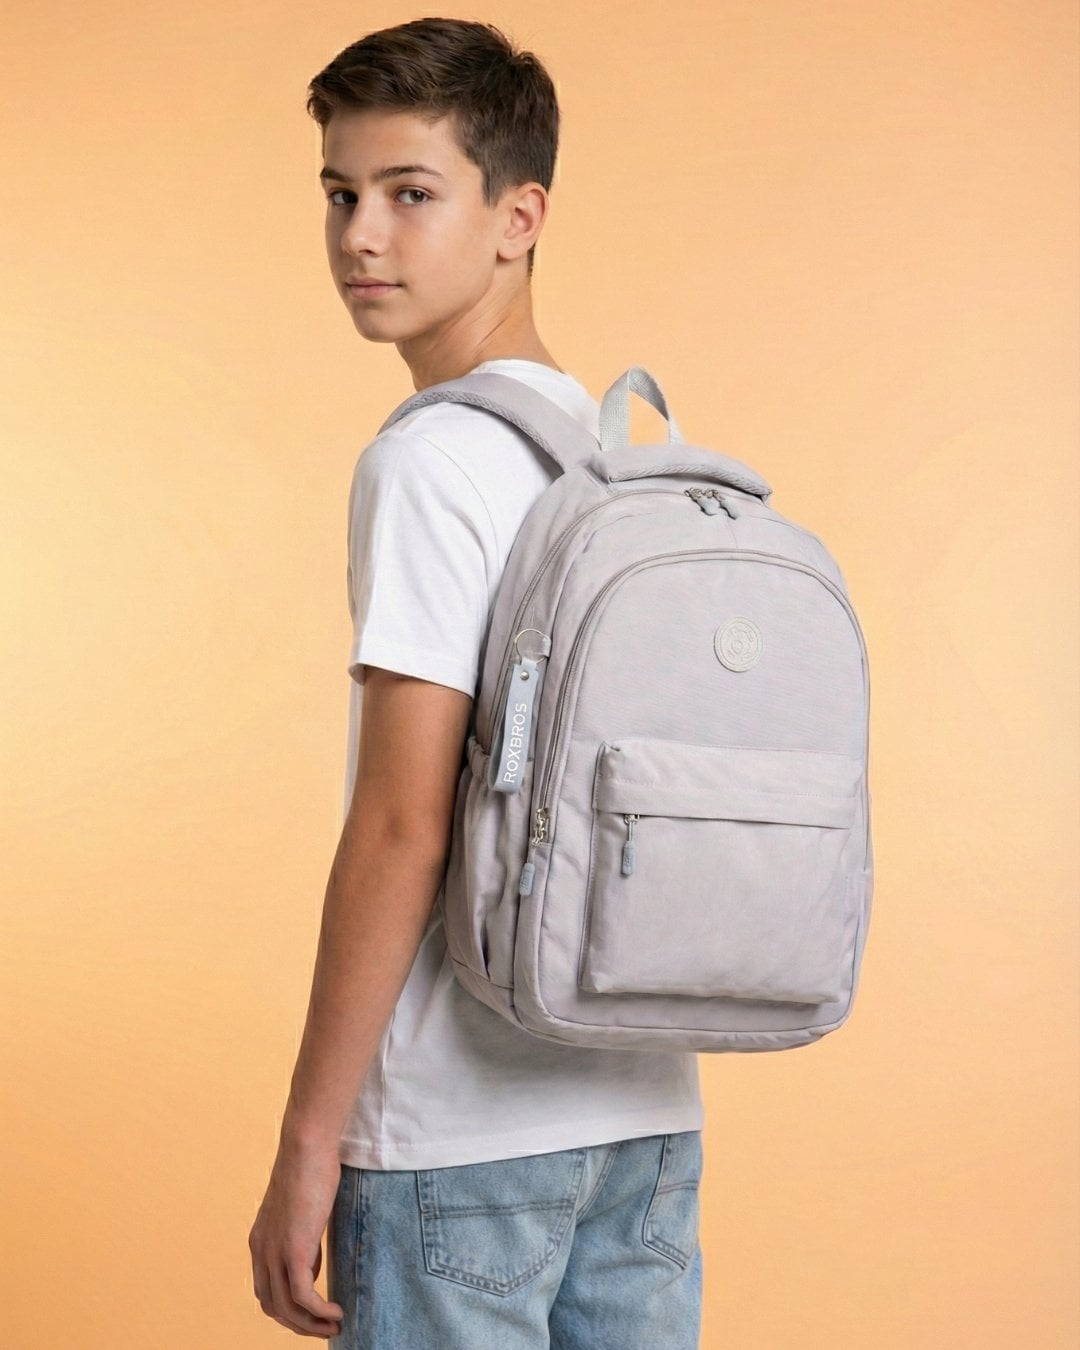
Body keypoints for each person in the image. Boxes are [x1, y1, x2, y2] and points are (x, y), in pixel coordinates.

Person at [248, 18, 704, 1348]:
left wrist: (311, 1137)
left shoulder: (432, 462)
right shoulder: (623, 456)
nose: (360, 237)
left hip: (455, 1137)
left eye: (410, 193)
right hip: (643, 1118)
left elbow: (405, 825)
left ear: (520, 217)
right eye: (339, 193)